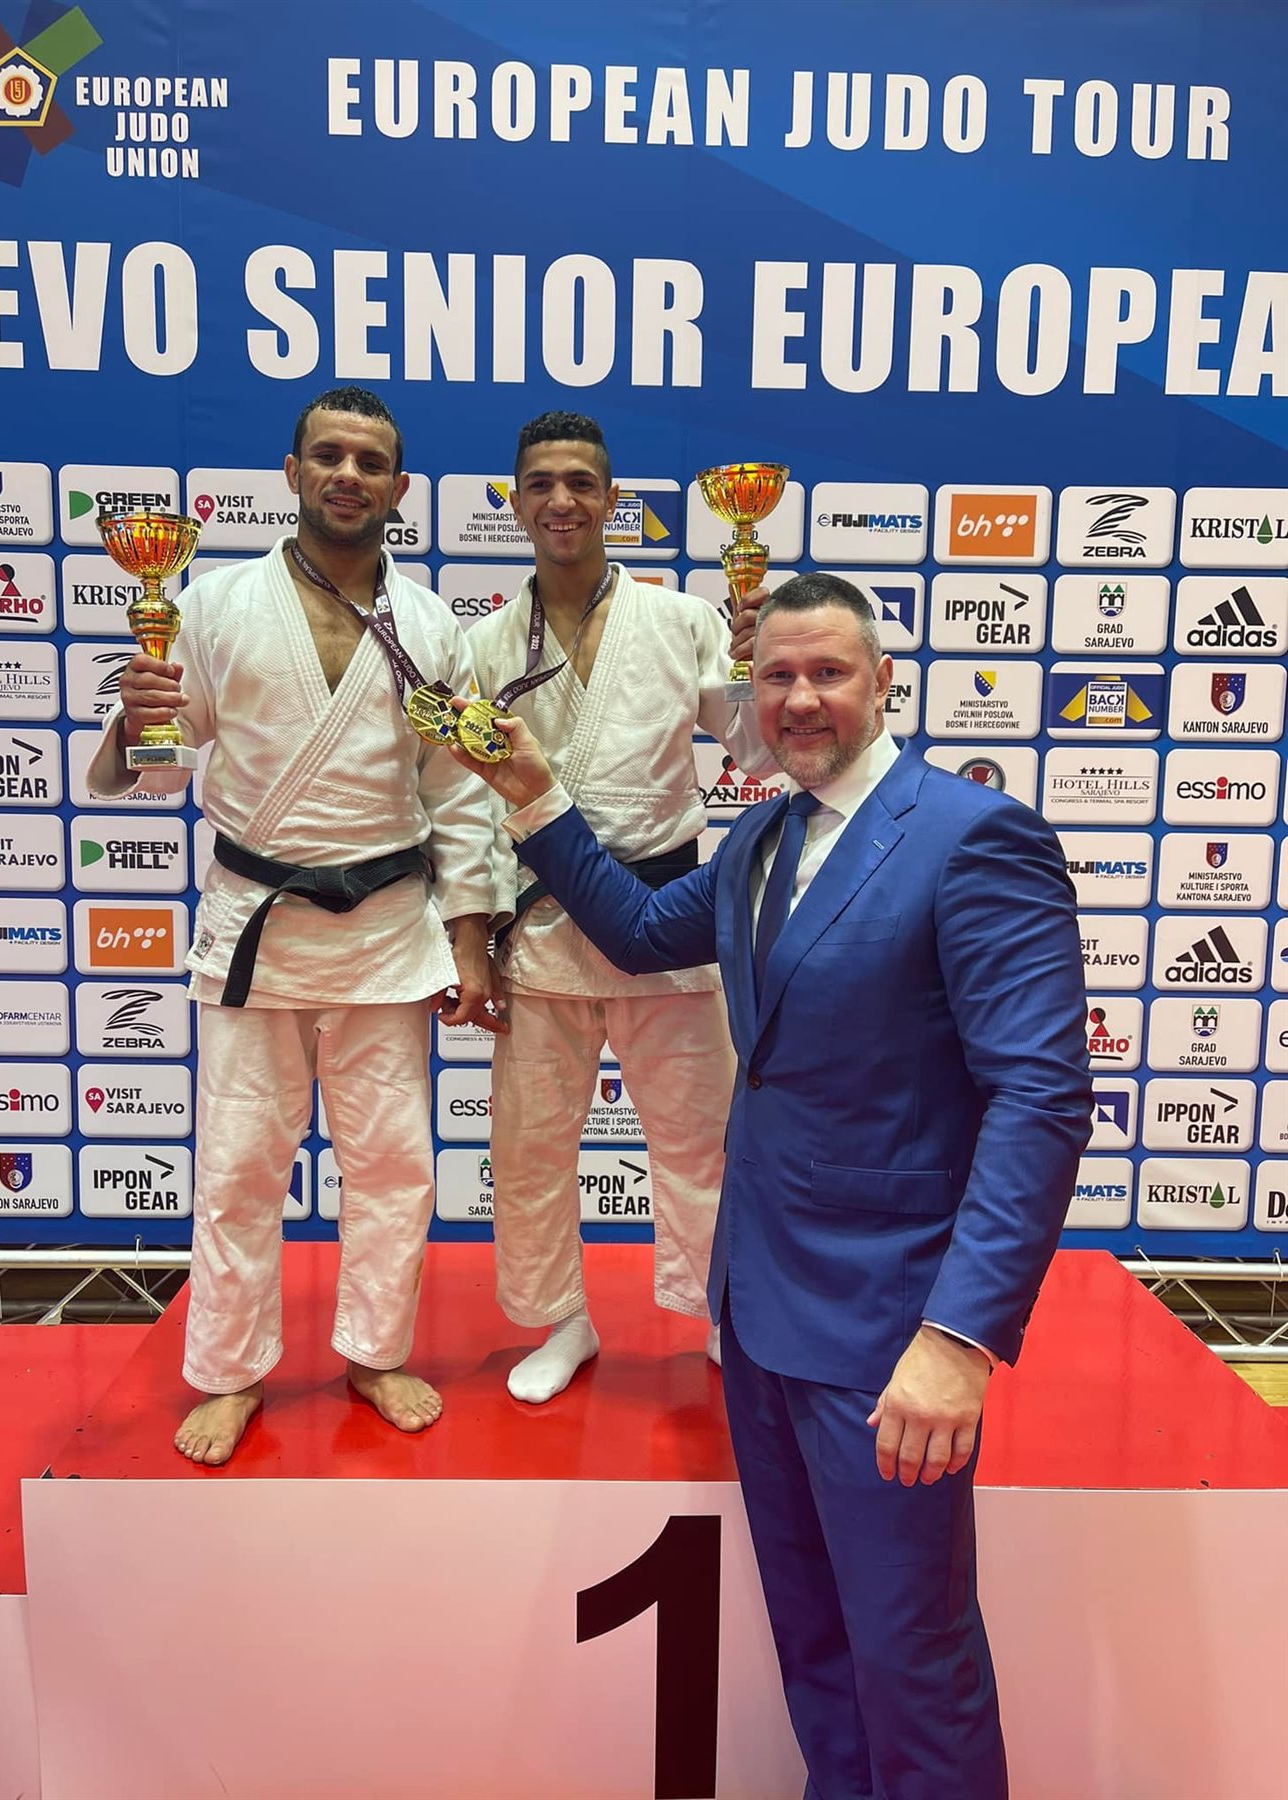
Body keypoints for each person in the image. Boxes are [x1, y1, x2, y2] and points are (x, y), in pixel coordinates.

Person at [453, 571, 1092, 1797]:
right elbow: (641, 934)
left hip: (889, 1334)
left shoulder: (973, 837)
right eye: (777, 676)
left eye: (829, 673)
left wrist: (959, 1337)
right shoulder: (760, 835)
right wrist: (533, 793)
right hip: (758, 1318)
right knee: (818, 1642)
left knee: (912, 1655)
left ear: (885, 684)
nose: (800, 699)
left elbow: (1041, 1099)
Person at [88, 386, 500, 1466]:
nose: (347, 475)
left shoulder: (431, 625)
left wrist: (469, 935)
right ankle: (230, 1372)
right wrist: (136, 724)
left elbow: (458, 794)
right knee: (238, 1167)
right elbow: (156, 769)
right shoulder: (212, 604)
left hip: (387, 929)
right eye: (329, 455)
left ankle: (374, 1352)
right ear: (292, 470)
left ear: (400, 488)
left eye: (370, 461)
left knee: (395, 1164)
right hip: (257, 928)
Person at [466, 410, 773, 1404]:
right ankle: (563, 1321)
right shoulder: (484, 644)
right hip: (542, 922)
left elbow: (756, 752)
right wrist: (473, 937)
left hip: (666, 915)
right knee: (531, 1145)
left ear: (611, 500)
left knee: (701, 1136)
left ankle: (723, 1314)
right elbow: (466, 804)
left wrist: (757, 665)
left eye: (581, 483)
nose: (561, 500)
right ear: (516, 502)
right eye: (541, 483)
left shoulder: (683, 621)